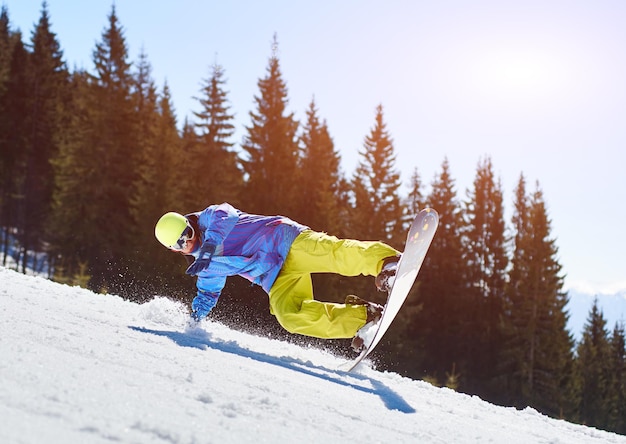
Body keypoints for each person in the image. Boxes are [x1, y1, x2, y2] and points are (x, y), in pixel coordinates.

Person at [154, 202, 400, 351]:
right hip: (274, 276)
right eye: (181, 242)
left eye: (187, 231)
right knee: (289, 316)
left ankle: (386, 263)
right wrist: (193, 320)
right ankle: (363, 319)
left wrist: (210, 245)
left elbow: (225, 215)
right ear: (173, 249)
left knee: (333, 254)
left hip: (284, 240)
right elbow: (207, 294)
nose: (189, 239)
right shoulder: (205, 267)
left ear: (189, 222)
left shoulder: (209, 218)